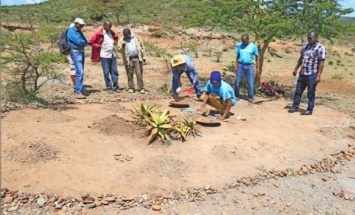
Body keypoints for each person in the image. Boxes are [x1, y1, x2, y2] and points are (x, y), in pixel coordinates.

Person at [288, 31, 327, 115]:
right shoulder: (305, 46)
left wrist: (319, 75)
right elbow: (301, 58)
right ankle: (295, 106)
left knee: (311, 92)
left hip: (312, 74)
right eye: (308, 38)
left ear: (316, 38)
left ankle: (309, 109)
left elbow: (321, 63)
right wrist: (296, 68)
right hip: (303, 73)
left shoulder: (320, 48)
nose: (309, 40)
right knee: (298, 91)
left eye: (311, 38)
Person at [88, 21, 119, 93]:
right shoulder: (98, 33)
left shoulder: (112, 33)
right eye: (108, 26)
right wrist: (98, 46)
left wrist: (115, 42)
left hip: (112, 55)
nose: (109, 28)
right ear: (104, 26)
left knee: (114, 71)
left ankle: (115, 86)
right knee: (106, 72)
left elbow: (116, 38)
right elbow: (90, 42)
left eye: (110, 26)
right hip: (104, 55)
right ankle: (109, 87)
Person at [117, 28, 146, 94]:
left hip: (137, 58)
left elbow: (142, 46)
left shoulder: (136, 37)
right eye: (125, 35)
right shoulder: (122, 40)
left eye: (127, 35)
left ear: (130, 33)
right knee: (129, 73)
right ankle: (131, 87)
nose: (126, 37)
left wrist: (144, 56)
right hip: (128, 59)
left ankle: (141, 88)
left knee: (139, 74)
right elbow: (119, 50)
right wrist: (122, 47)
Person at [234, 34, 259, 102]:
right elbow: (237, 56)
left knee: (251, 83)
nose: (243, 42)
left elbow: (257, 57)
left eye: (244, 41)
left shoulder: (253, 46)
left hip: (250, 66)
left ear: (248, 39)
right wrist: (236, 66)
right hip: (241, 65)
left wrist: (257, 68)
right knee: (237, 82)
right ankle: (236, 95)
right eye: (242, 40)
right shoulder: (239, 46)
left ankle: (250, 96)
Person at [67, 18, 88, 99]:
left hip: (81, 52)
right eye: (80, 24)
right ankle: (78, 91)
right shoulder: (71, 31)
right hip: (75, 52)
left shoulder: (79, 31)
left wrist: (82, 42)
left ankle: (80, 89)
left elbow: (85, 42)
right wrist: (82, 42)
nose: (82, 26)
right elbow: (79, 42)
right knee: (80, 71)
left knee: (80, 71)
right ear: (76, 23)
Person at [67, 23, 76, 87]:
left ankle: (77, 85)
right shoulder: (70, 35)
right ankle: (76, 85)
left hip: (73, 54)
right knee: (74, 70)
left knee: (76, 70)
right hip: (71, 54)